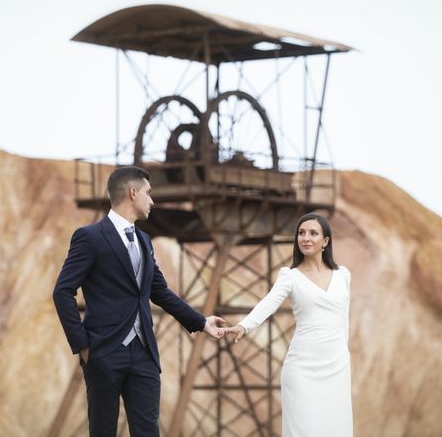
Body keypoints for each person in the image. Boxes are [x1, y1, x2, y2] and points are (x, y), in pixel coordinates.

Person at [53, 166, 224, 436]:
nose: (153, 200)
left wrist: (200, 321)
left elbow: (160, 291)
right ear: (133, 193)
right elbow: (62, 291)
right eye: (148, 193)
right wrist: (83, 346)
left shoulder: (144, 240)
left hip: (144, 353)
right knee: (103, 431)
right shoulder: (90, 237)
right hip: (102, 352)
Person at [222, 212, 353, 437]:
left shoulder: (343, 275)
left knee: (336, 428)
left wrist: (343, 352)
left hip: (337, 366)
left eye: (313, 233)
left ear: (326, 241)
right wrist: (244, 326)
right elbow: (268, 304)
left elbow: (344, 319)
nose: (306, 238)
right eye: (301, 233)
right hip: (302, 367)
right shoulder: (290, 276)